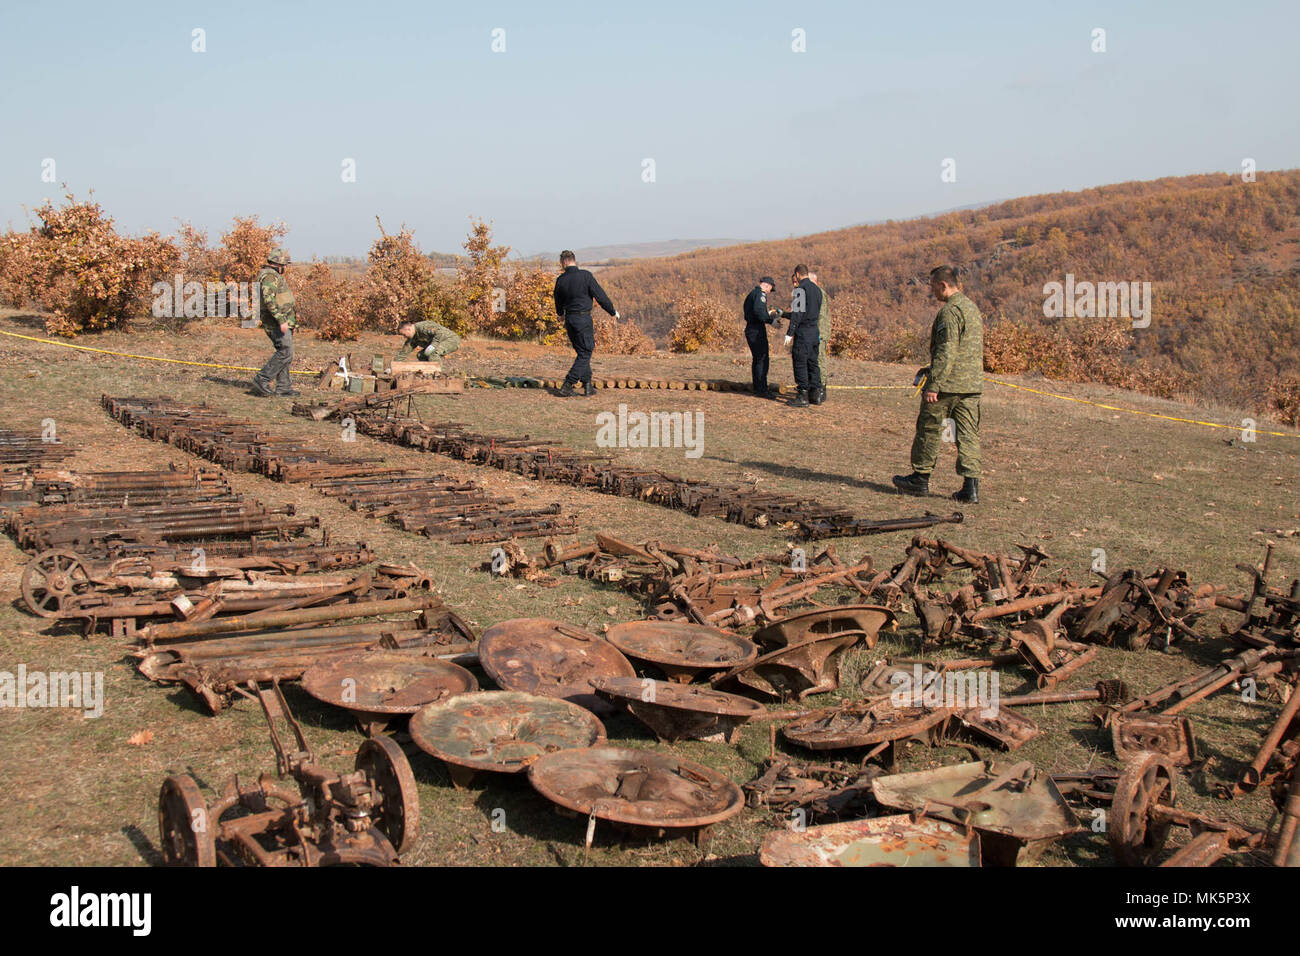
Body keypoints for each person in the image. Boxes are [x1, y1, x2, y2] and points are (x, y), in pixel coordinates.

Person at [892, 264, 984, 503]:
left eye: (934, 287)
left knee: (929, 428)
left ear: (944, 285)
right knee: (967, 434)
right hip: (971, 385)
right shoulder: (971, 308)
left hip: (947, 385)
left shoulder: (950, 313)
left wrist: (933, 384)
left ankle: (920, 479)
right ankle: (970, 487)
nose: (932, 292)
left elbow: (946, 351)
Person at [552, 250, 619, 396]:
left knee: (582, 352)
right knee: (586, 352)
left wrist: (560, 315)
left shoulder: (561, 280)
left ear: (564, 262)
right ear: (573, 260)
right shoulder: (586, 276)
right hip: (583, 319)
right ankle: (568, 384)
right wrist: (612, 311)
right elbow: (601, 296)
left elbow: (557, 301)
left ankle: (587, 386)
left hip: (569, 320)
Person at [250, 247, 299, 397]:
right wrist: (281, 320)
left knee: (285, 352)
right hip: (276, 323)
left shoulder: (271, 275)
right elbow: (268, 300)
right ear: (279, 264)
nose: (285, 268)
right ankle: (262, 379)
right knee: (285, 352)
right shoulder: (270, 276)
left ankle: (283, 387)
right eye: (285, 265)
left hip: (281, 322)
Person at [784, 264, 822, 407]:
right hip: (814, 330)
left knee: (800, 362)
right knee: (813, 362)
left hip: (804, 331)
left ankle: (803, 396)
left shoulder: (800, 290)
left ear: (798, 274)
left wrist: (790, 333)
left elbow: (798, 314)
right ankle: (816, 394)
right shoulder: (817, 290)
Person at [742, 276, 781, 397]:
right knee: (762, 359)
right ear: (767, 285)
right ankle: (762, 389)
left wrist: (768, 316)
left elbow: (756, 312)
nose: (770, 292)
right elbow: (759, 312)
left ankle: (758, 387)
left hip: (752, 329)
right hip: (756, 330)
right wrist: (771, 321)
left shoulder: (753, 294)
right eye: (771, 289)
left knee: (758, 359)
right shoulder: (760, 295)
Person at [808, 268, 830, 404]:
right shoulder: (815, 293)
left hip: (819, 332)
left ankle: (821, 388)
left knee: (819, 360)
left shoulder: (819, 293)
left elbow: (819, 315)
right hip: (816, 331)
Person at [394, 319, 460, 365]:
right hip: (439, 343)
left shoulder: (423, 327)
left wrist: (433, 345)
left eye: (404, 334)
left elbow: (440, 333)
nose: (404, 337)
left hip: (450, 340)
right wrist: (391, 367)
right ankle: (428, 372)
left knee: (433, 353)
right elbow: (403, 353)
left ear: (409, 329)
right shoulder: (412, 337)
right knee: (421, 355)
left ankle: (438, 375)